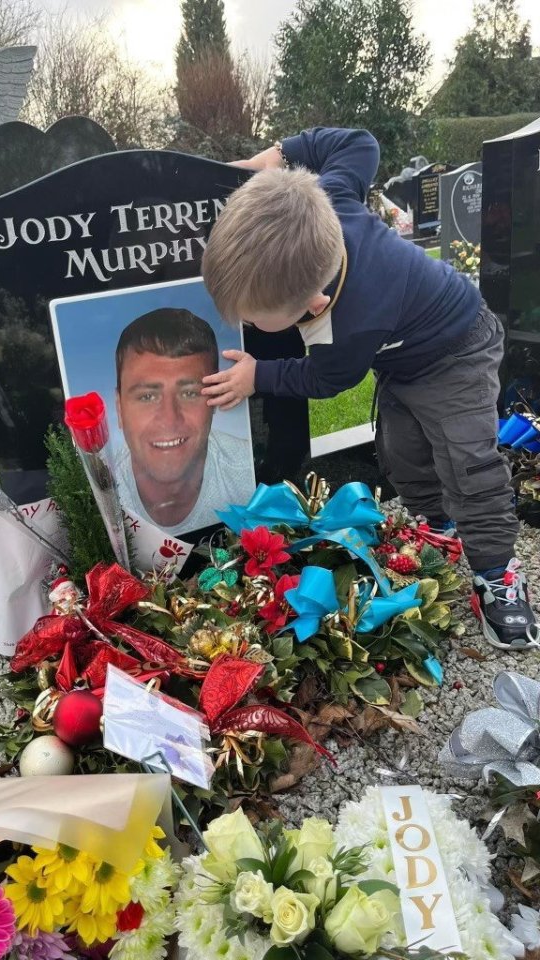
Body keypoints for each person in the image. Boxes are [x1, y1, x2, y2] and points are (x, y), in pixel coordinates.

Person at [200, 127, 539, 651]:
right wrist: (283, 154)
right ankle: (439, 526)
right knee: (402, 456)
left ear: (313, 306)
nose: (242, 322)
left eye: (252, 317)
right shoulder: (327, 200)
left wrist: (259, 376)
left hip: (459, 351)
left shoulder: (350, 326)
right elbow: (361, 144)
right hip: (404, 361)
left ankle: (497, 572)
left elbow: (326, 379)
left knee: (468, 463)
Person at [115, 308, 254, 534]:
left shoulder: (249, 472)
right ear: (119, 408)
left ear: (216, 396)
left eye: (190, 393)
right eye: (147, 396)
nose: (169, 419)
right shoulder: (92, 494)